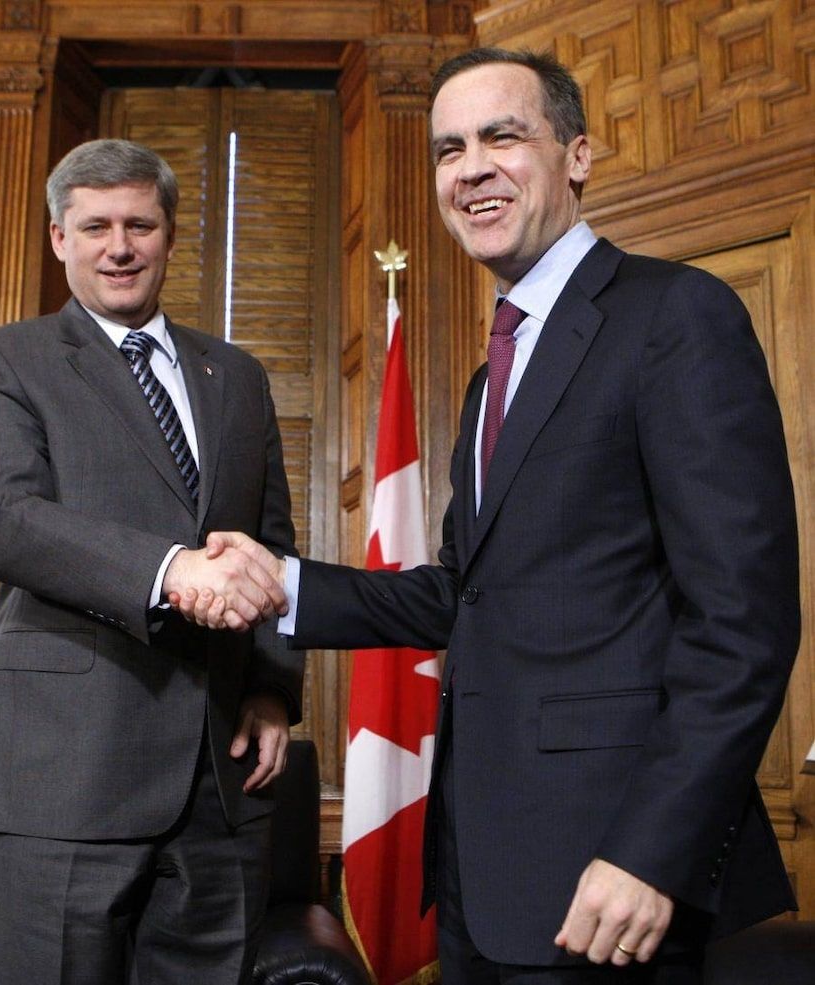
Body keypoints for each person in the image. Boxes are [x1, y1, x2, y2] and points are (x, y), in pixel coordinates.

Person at [176, 47, 801, 985]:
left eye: (502, 137)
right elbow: (461, 593)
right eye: (448, 149)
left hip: (612, 873)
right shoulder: (489, 380)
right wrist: (280, 584)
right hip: (478, 871)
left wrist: (653, 852)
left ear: (577, 155)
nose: (470, 169)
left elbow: (744, 622)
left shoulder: (677, 316)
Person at [0, 138, 301, 985]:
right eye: (95, 226)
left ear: (170, 235)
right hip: (66, 776)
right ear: (58, 238)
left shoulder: (239, 376)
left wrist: (271, 687)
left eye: (140, 225)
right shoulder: (5, 359)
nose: (119, 247)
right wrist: (170, 569)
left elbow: (272, 547)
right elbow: (1, 518)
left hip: (220, 781)